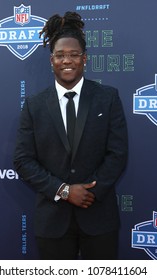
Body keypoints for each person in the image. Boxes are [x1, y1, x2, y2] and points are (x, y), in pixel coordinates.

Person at [14, 11, 128, 260]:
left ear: (84, 59)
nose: (67, 60)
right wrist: (64, 190)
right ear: (51, 60)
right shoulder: (34, 105)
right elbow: (23, 160)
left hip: (99, 217)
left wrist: (90, 193)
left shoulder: (107, 98)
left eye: (74, 54)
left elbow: (117, 154)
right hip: (52, 222)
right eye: (60, 55)